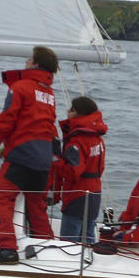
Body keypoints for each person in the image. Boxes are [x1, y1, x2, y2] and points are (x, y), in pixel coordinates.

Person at [0, 46, 59, 264]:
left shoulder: (20, 87)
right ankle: (49, 249)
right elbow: (49, 128)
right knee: (36, 206)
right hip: (43, 159)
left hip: (22, 156)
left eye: (29, 58)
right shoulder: (49, 93)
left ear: (35, 63)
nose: (25, 61)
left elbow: (6, 122)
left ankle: (8, 250)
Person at [50, 96, 107, 243]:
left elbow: (73, 171)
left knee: (68, 241)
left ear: (79, 113)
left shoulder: (77, 140)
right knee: (88, 237)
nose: (68, 111)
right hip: (95, 193)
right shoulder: (97, 138)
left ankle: (68, 264)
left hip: (77, 195)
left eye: (72, 109)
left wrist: (54, 160)